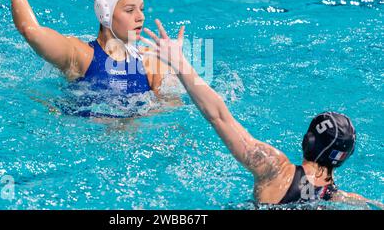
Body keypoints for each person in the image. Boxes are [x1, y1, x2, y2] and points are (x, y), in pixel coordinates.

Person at [141, 19, 384, 208]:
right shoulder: (340, 199)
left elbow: (218, 115)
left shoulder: (276, 168)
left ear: (307, 141)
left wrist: (179, 61)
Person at [0, 0, 169, 116]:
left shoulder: (150, 61)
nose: (140, 17)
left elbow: (170, 106)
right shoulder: (81, 56)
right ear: (105, 14)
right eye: (129, 10)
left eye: (141, 9)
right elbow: (31, 31)